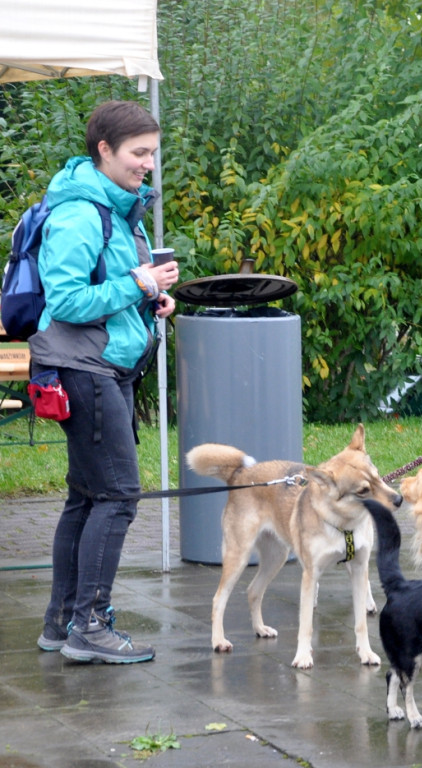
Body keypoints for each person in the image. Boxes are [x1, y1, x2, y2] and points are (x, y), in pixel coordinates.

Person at [31, 100, 179, 663]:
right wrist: (137, 284)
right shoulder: (78, 213)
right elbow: (66, 300)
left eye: (152, 154)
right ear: (104, 151)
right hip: (83, 367)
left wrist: (149, 301)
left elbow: (112, 289)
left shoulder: (117, 211)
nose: (148, 165)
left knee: (87, 497)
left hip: (103, 365)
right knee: (117, 496)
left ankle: (61, 622)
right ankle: (89, 626)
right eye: (139, 154)